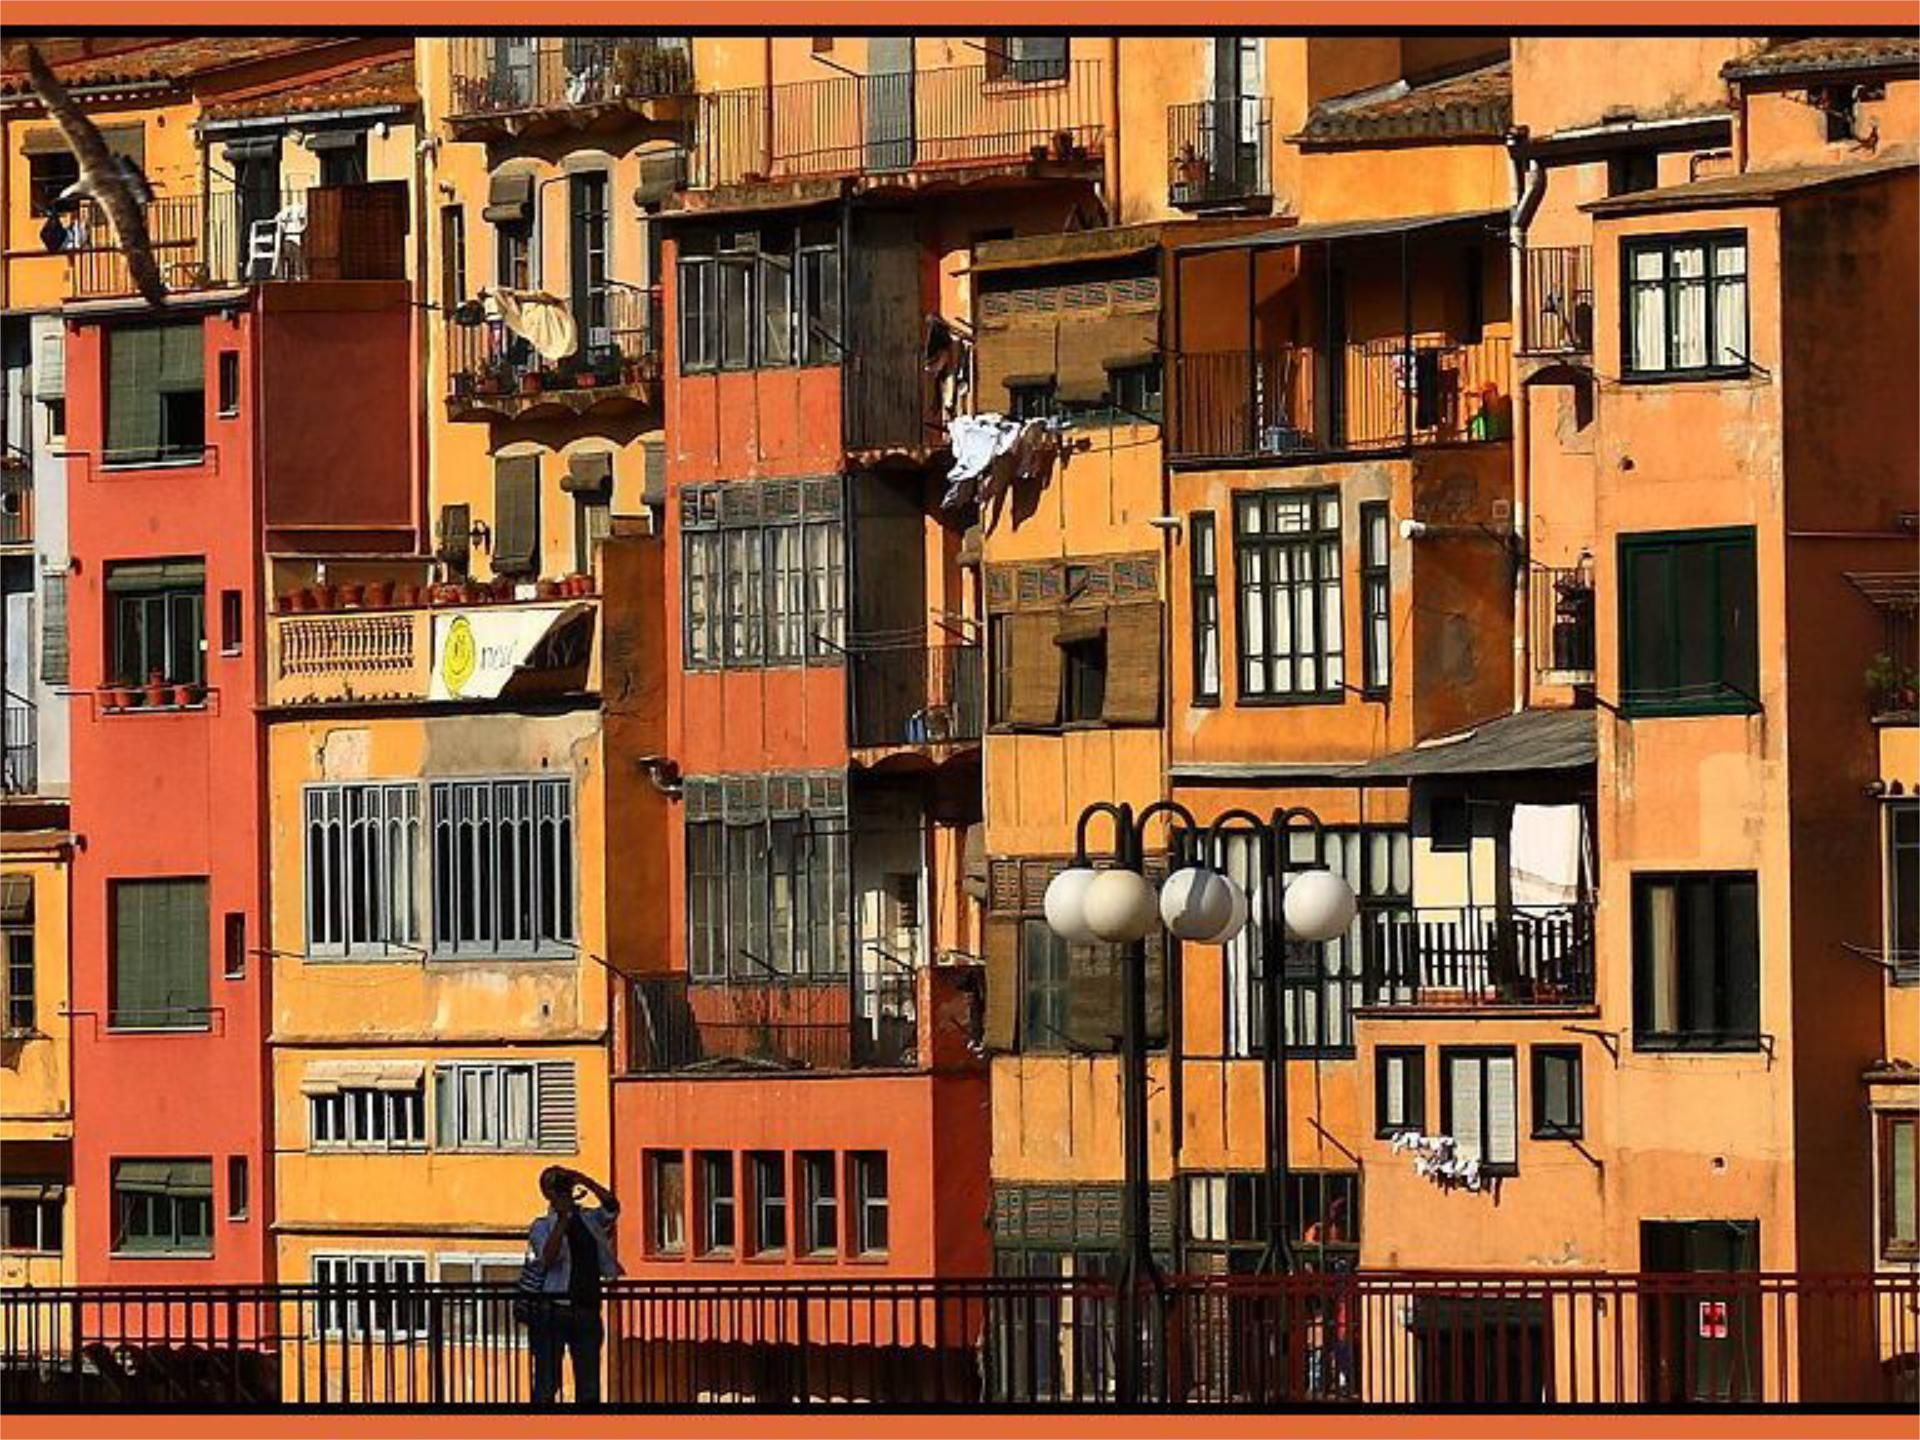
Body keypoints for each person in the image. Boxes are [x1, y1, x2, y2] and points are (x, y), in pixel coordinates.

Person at [525, 1165, 621, 1405]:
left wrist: (585, 1180)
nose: (562, 1190)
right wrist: (562, 1219)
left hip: (587, 1308)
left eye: (562, 1184)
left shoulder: (589, 1219)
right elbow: (548, 1257)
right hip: (553, 1310)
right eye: (556, 1186)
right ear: (547, 1193)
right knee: (547, 1383)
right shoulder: (542, 1226)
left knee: (589, 1385)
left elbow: (612, 1208)